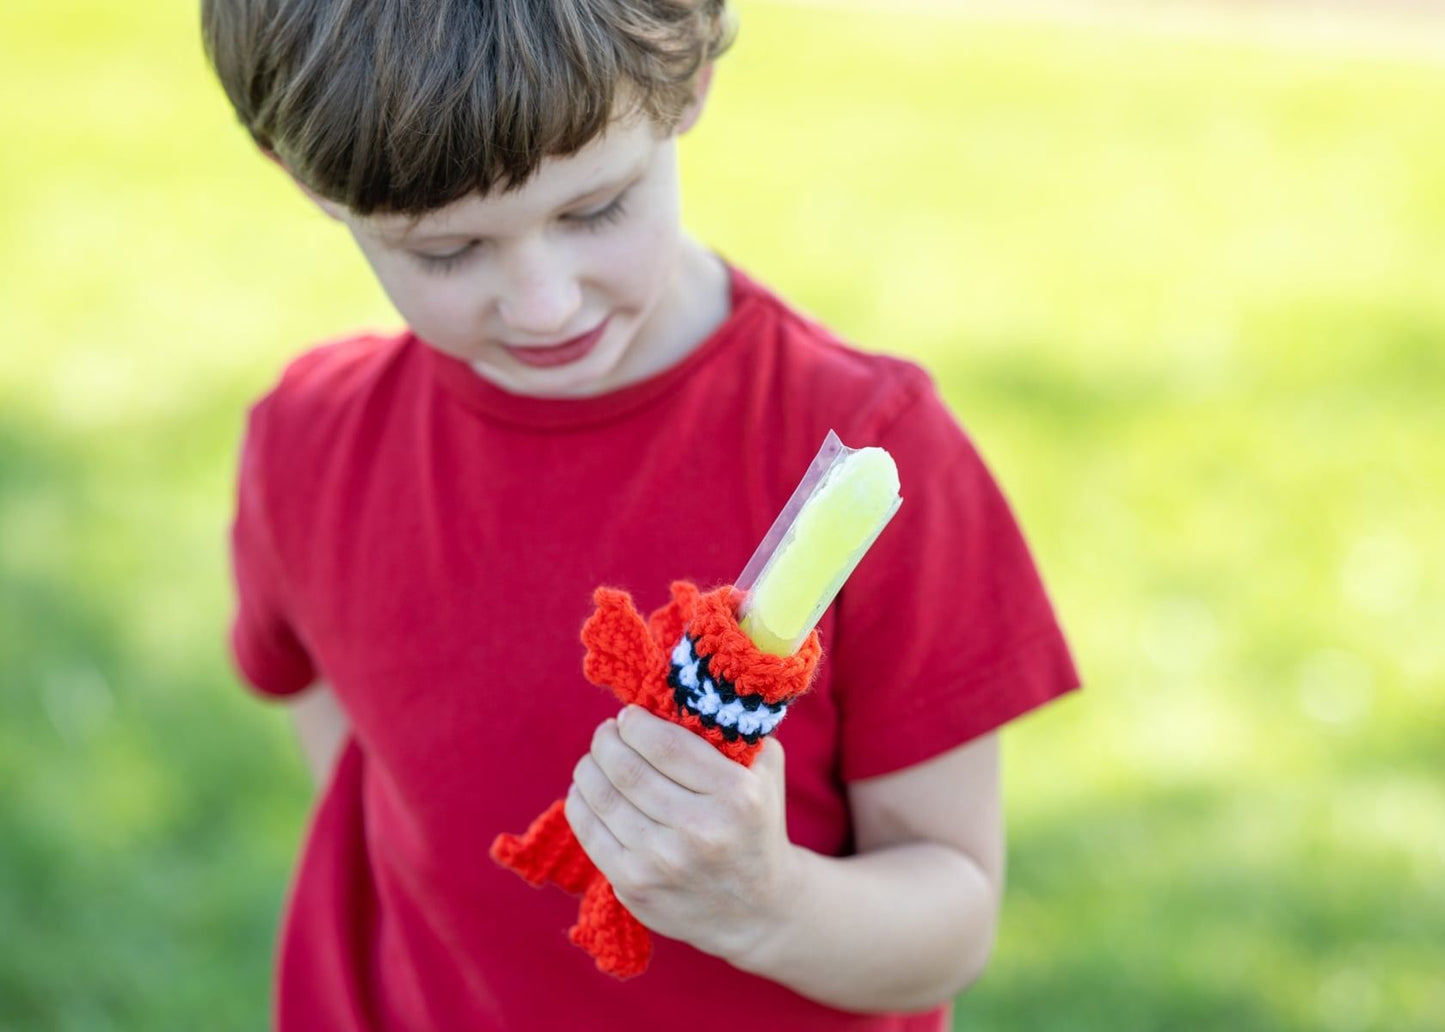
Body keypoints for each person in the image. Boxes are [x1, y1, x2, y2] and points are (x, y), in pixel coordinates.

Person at [202, 1, 1080, 1028]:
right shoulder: (310, 445)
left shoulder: (874, 450)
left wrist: (767, 904)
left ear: (690, 78)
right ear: (303, 177)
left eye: (595, 210)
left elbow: (950, 920)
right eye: (445, 252)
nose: (542, 303)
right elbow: (342, 740)